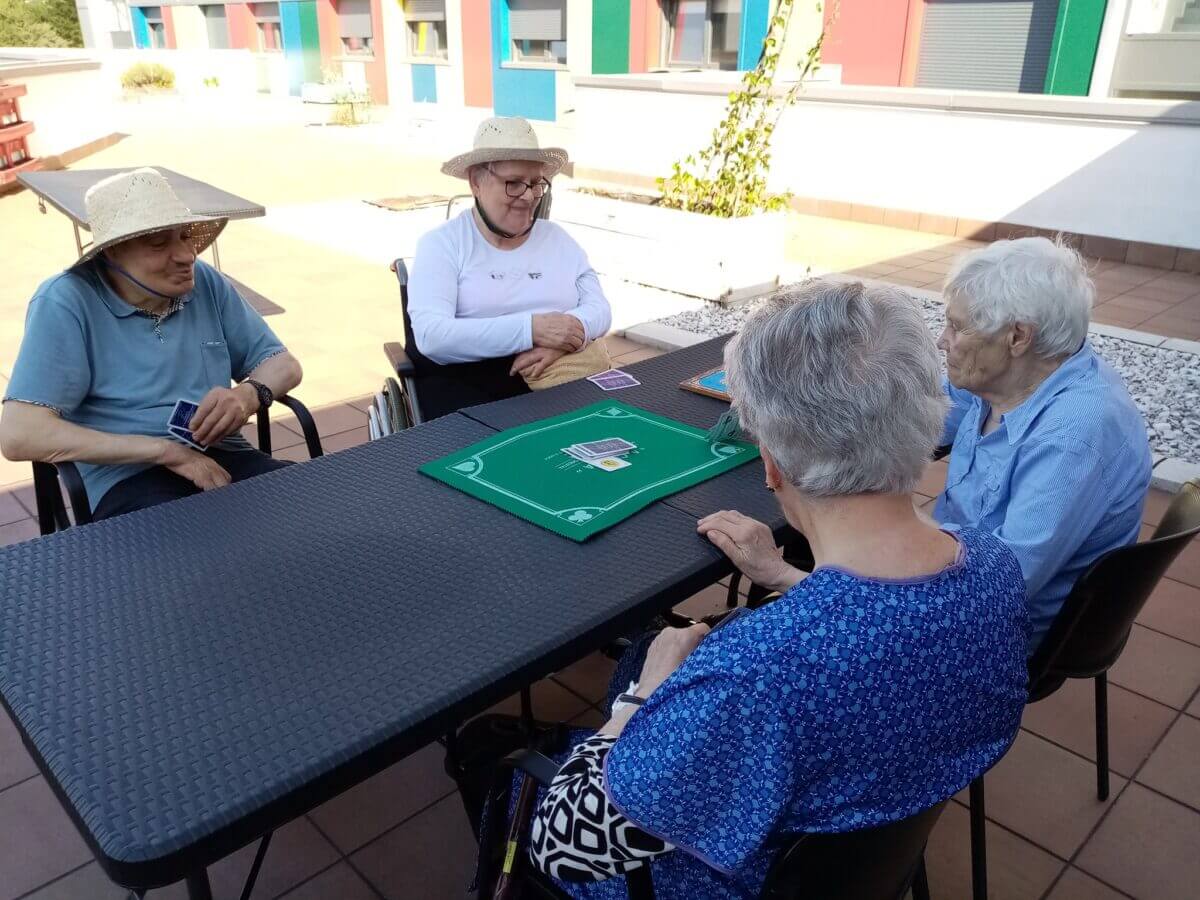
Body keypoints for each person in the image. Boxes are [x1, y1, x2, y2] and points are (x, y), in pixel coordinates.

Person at [454, 281, 1029, 899]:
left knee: (484, 746)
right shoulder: (995, 567)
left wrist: (639, 701)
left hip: (727, 880)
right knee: (640, 659)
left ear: (773, 463)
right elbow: (884, 625)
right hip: (865, 841)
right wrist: (786, 577)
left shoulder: (753, 675)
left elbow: (564, 844)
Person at [0, 168, 302, 521]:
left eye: (185, 236)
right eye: (159, 243)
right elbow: (19, 434)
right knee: (199, 554)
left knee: (312, 511)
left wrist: (246, 395)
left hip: (224, 452)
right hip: (127, 476)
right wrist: (166, 452)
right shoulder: (67, 300)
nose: (186, 255)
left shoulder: (204, 281)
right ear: (111, 253)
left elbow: (284, 365)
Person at [933, 237, 1152, 652]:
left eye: (957, 326)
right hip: (959, 568)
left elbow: (997, 586)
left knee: (810, 631)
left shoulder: (1074, 434)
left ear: (1018, 337)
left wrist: (893, 531)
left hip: (1001, 628)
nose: (942, 341)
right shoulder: (1008, 377)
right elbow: (919, 421)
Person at [406, 116, 612, 419]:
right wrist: (533, 329)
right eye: (513, 183)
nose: (528, 196)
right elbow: (433, 337)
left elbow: (599, 308)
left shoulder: (557, 240)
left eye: (535, 183)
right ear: (476, 181)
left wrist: (567, 338)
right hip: (472, 391)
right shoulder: (443, 245)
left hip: (561, 380)